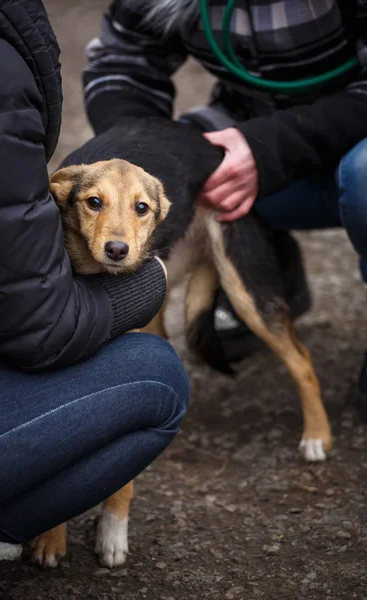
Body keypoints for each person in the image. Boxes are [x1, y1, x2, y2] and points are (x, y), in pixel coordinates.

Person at [0, 1, 190, 598]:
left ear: (156, 215)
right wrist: (152, 282)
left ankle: (105, 503)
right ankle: (4, 521)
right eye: (95, 205)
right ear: (64, 196)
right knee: (157, 376)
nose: (118, 234)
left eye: (138, 213)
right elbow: (29, 336)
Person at [82, 0, 367, 417]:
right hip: (252, 130)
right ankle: (263, 263)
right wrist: (139, 159)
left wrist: (272, 148)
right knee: (189, 159)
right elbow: (121, 61)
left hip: (348, 136)